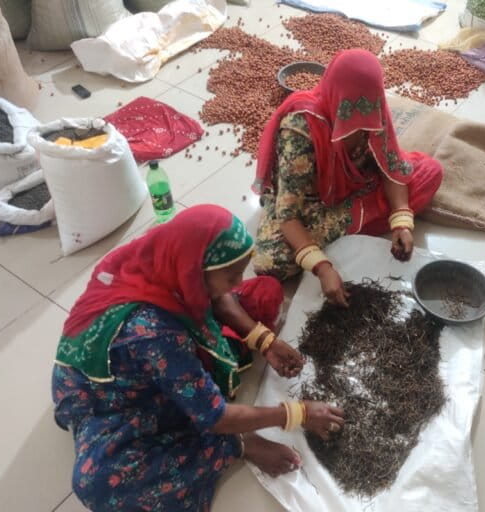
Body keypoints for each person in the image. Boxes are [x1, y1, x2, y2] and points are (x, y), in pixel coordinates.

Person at [52, 205, 345, 512]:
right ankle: (233, 447)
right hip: (117, 396)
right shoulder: (154, 335)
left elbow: (219, 297)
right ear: (194, 272)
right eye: (230, 275)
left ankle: (206, 383)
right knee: (99, 483)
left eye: (239, 272)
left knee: (265, 292)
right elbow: (215, 417)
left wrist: (264, 341)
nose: (236, 283)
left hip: (163, 345)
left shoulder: (166, 253)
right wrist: (295, 413)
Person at [252, 49, 443, 306]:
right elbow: (288, 215)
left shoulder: (372, 107)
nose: (360, 122)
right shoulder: (301, 129)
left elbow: (390, 164)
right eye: (349, 112)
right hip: (309, 202)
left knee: (430, 171)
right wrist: (322, 267)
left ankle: (356, 224)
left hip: (356, 184)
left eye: (366, 110)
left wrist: (401, 221)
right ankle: (357, 223)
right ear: (335, 96)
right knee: (269, 264)